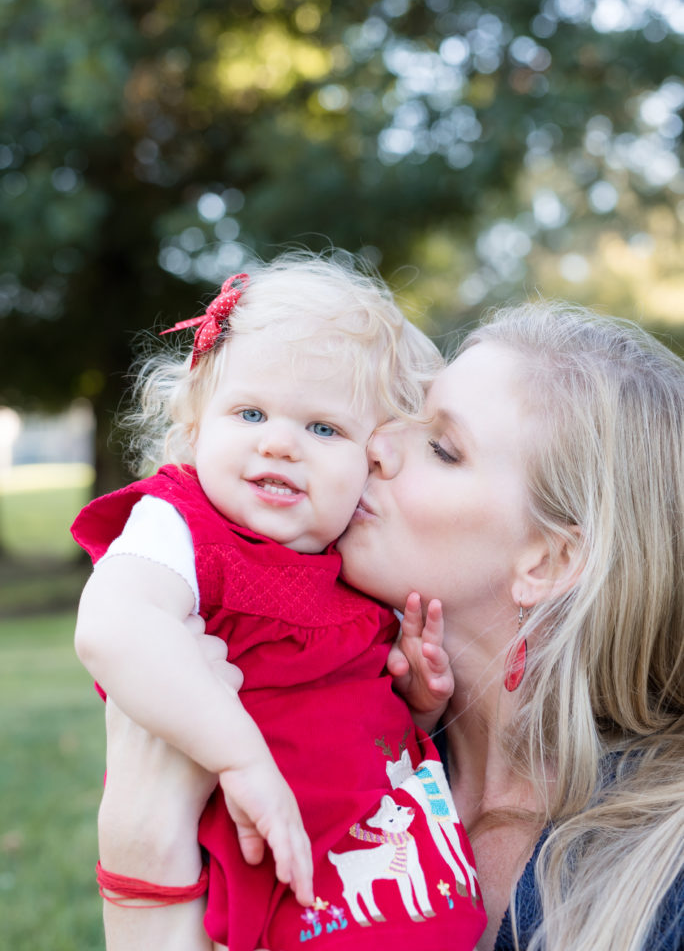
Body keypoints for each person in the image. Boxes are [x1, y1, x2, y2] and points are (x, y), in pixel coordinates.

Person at [95, 298, 684, 951]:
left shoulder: (660, 881)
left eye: (440, 446)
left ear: (548, 561)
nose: (374, 443)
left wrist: (140, 846)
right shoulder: (301, 696)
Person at [71, 255, 487, 951]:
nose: (279, 442)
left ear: (373, 459)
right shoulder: (180, 524)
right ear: (197, 427)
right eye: (251, 412)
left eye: (324, 429)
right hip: (275, 892)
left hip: (405, 896)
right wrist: (240, 760)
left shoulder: (348, 556)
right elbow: (114, 626)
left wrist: (418, 703)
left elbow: (357, 725)